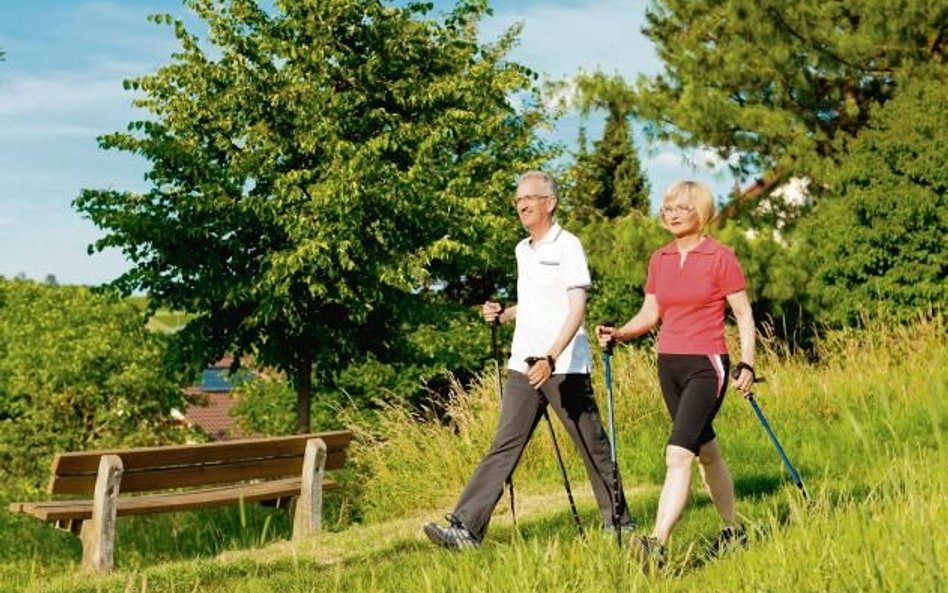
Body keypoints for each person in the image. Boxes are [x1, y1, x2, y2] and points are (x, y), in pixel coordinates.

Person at [423, 170, 634, 549]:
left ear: (549, 203)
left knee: (592, 446)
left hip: (562, 366)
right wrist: (502, 314)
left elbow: (576, 309)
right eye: (517, 199)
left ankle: (620, 524)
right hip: (523, 364)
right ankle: (466, 528)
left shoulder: (568, 245)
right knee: (504, 444)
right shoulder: (523, 249)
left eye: (528, 198)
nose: (520, 204)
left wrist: (552, 357)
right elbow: (536, 305)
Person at [595, 180, 756, 566]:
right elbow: (651, 314)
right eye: (667, 207)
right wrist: (620, 333)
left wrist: (747, 363)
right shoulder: (660, 259)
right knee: (707, 454)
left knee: (677, 454)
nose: (671, 213)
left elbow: (744, 315)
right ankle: (735, 531)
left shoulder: (720, 257)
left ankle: (656, 541)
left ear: (701, 213)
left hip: (707, 365)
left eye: (681, 208)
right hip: (668, 364)